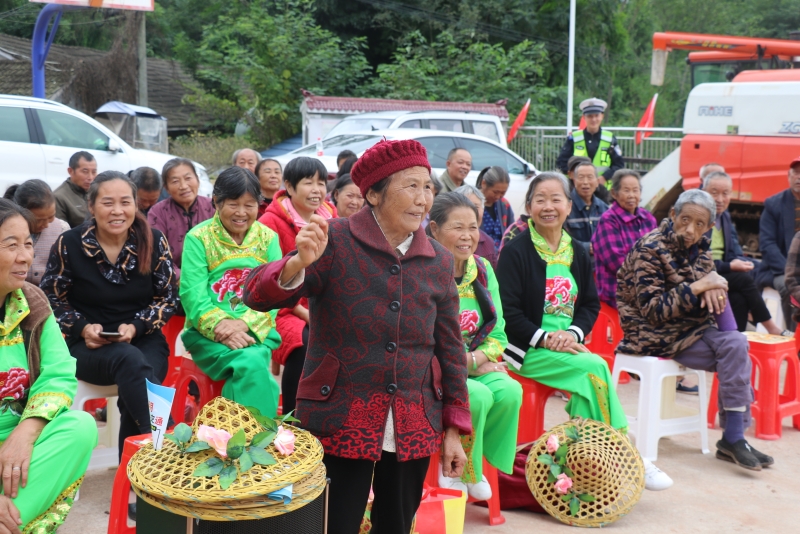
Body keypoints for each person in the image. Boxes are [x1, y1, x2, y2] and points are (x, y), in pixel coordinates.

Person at [242, 139, 471, 534]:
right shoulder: (333, 240)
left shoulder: (439, 261)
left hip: (413, 417)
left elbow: (450, 349)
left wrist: (453, 428)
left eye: (428, 187)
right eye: (410, 186)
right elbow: (255, 295)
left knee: (397, 524)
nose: (423, 199)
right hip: (339, 413)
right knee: (334, 523)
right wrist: (297, 262)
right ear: (374, 194)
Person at [496, 171, 671, 490]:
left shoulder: (576, 250)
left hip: (568, 348)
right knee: (595, 367)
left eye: (556, 199)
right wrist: (547, 338)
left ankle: (596, 459)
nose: (548, 206)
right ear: (529, 206)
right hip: (528, 350)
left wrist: (573, 333)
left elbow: (590, 304)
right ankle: (624, 452)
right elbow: (508, 314)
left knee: (592, 373)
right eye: (540, 200)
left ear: (568, 205)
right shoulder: (516, 251)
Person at [617, 189, 774, 471]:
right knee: (735, 352)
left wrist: (715, 286)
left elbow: (712, 299)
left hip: (690, 330)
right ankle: (734, 437)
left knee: (736, 345)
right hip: (651, 334)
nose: (690, 230)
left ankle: (734, 439)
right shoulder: (649, 249)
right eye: (685, 220)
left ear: (708, 227)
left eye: (699, 224)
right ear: (673, 214)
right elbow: (652, 311)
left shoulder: (700, 251)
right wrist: (698, 287)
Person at [41, 171, 176, 455]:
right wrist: (82, 327)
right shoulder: (70, 243)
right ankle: (172, 450)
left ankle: (131, 480)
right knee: (134, 365)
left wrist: (136, 327)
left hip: (144, 339)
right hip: (87, 348)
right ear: (91, 206)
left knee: (138, 377)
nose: (117, 211)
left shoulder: (153, 240)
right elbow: (51, 297)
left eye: (125, 202)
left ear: (135, 205)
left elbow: (167, 298)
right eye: (107, 203)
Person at [0, 199, 96, 533]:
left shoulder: (31, 300)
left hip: (19, 443)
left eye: (28, 243)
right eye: (11, 245)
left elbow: (58, 371)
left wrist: (25, 434)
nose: (25, 256)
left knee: (79, 428)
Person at [428, 192, 521, 501]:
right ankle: (459, 470)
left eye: (473, 227)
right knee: (477, 395)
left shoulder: (481, 269)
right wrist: (468, 363)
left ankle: (478, 464)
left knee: (510, 392)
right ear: (434, 230)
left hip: (475, 361)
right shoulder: (424, 270)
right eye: (457, 227)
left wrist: (476, 358)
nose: (467, 236)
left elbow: (499, 333)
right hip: (435, 370)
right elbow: (421, 339)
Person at [179, 167, 282, 417]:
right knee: (252, 362)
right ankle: (257, 438)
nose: (241, 213)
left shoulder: (268, 238)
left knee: (251, 360)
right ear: (216, 201)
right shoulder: (198, 238)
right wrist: (221, 327)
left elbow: (275, 293)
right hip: (208, 334)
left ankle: (236, 437)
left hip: (254, 330)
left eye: (249, 205)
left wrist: (244, 324)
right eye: (233, 204)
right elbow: (193, 295)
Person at [258, 157, 337, 415]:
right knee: (302, 345)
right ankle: (293, 419)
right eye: (308, 183)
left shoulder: (331, 219)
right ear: (290, 187)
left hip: (319, 305)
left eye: (321, 183)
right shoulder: (270, 223)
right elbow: (269, 281)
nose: (317, 190)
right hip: (281, 310)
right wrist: (305, 313)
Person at [702, 171, 788, 335]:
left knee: (740, 296)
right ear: (704, 191)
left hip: (721, 272)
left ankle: (736, 338)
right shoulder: (700, 218)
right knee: (743, 279)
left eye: (725, 193)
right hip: (704, 273)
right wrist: (730, 266)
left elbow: (733, 252)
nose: (720, 199)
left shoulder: (724, 217)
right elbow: (697, 261)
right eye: (714, 193)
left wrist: (742, 263)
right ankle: (771, 327)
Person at [591, 169, 657, 309]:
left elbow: (659, 252)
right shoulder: (608, 221)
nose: (632, 195)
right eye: (626, 190)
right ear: (614, 193)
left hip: (646, 293)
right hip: (617, 296)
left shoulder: (648, 218)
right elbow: (618, 263)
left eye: (636, 190)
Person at [147, 158, 215, 282]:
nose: (183, 186)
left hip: (212, 278)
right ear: (166, 188)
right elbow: (156, 253)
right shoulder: (157, 213)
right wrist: (183, 277)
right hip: (174, 281)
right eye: (175, 181)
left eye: (188, 178)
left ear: (198, 180)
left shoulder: (213, 208)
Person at [756, 156, 800, 331]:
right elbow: (767, 245)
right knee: (790, 288)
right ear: (788, 176)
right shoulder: (773, 204)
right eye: (796, 173)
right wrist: (789, 270)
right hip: (778, 269)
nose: (799, 177)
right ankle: (794, 339)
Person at [3, 180, 70, 286]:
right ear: (22, 213)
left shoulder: (62, 229)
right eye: (39, 220)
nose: (47, 224)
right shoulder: (6, 230)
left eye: (51, 217)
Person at [556, 98, 624, 187]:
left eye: (596, 115)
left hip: (602, 190)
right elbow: (561, 162)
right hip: (579, 188)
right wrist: (575, 177)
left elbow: (619, 164)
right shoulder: (574, 138)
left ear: (602, 116)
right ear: (584, 117)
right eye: (590, 116)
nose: (593, 119)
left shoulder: (610, 138)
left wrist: (605, 177)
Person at [565, 162, 608, 253]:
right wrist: (586, 247)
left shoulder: (604, 209)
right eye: (581, 177)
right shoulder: (565, 208)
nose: (585, 182)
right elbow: (560, 239)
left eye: (590, 177)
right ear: (574, 181)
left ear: (597, 182)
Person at [453, 185, 498, 267]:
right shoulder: (445, 238)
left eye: (475, 207)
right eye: (466, 206)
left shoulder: (488, 243)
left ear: (483, 210)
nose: (471, 212)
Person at [54, 151, 98, 228]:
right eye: (85, 171)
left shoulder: (96, 191)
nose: (90, 177)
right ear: (70, 171)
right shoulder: (59, 197)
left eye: (94, 172)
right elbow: (61, 230)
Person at [476, 166, 514, 251]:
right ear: (483, 183)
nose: (498, 196)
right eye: (495, 192)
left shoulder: (505, 204)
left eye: (503, 193)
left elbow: (512, 231)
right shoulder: (471, 203)